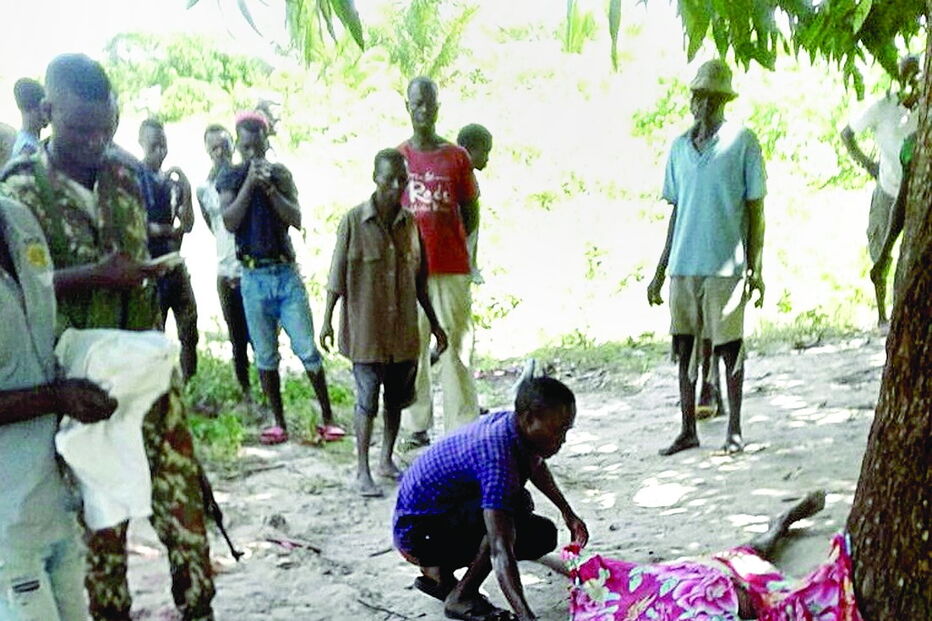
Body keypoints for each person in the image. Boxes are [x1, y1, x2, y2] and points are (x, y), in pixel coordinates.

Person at [0, 53, 215, 621]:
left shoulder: (124, 174)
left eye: (106, 126)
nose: (96, 141)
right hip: (80, 387)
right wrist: (97, 275)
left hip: (144, 367)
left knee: (184, 513)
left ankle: (199, 609)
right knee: (102, 530)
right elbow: (23, 291)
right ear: (47, 113)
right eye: (80, 129)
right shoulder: (20, 191)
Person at [0, 195, 117, 621]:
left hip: (53, 494)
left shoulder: (17, 218)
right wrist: (55, 396)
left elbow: (42, 320)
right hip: (5, 515)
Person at [393, 376, 589, 621]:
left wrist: (567, 512)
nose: (563, 440)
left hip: (435, 518)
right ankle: (461, 596)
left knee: (535, 524)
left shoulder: (513, 425)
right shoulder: (497, 458)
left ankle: (438, 572)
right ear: (529, 419)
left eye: (566, 430)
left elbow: (535, 464)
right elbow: (500, 550)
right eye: (558, 430)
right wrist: (526, 616)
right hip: (418, 536)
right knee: (513, 511)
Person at [647, 59, 766, 456]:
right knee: (683, 349)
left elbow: (755, 210)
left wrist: (756, 267)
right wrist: (660, 270)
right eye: (698, 96)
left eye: (711, 98)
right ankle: (687, 429)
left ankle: (734, 428)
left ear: (723, 101)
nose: (702, 104)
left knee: (729, 348)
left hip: (725, 266)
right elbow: (677, 211)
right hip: (684, 264)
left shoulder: (743, 142)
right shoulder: (679, 147)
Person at [320, 148, 449, 497]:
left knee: (396, 400)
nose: (397, 186)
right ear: (375, 178)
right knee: (366, 401)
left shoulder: (411, 225)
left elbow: (420, 280)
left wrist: (436, 325)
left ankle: (386, 460)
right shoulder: (353, 221)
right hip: (366, 333)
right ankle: (362, 470)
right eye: (389, 179)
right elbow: (336, 274)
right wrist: (328, 320)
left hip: (402, 333)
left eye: (402, 180)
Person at [218, 111, 344, 445]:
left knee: (307, 348)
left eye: (257, 146)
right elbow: (230, 221)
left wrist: (270, 189)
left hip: (285, 272)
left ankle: (328, 418)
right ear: (238, 144)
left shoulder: (281, 174)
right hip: (252, 276)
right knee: (265, 353)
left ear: (266, 142)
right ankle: (278, 422)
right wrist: (249, 183)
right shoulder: (230, 177)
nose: (252, 153)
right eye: (245, 147)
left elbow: (296, 217)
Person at [565, 490, 861, 620]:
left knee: (756, 551)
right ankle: (782, 522)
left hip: (696, 573)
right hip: (687, 575)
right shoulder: (723, 602)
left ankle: (782, 522)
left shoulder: (732, 594)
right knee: (755, 551)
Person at [400, 76, 481, 445]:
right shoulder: (398, 157)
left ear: (437, 108)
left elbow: (471, 211)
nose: (423, 110)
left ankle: (461, 426)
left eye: (429, 104)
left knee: (456, 347)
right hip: (409, 271)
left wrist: (453, 246)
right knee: (412, 348)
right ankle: (417, 425)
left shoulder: (456, 157)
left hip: (450, 269)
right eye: (416, 103)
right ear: (407, 106)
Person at [840, 55, 920, 325]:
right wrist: (868, 165)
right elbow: (847, 134)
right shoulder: (883, 107)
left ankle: (903, 314)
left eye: (918, 73)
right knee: (880, 248)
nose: (913, 79)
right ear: (900, 79)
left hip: (915, 193)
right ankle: (882, 316)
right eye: (907, 74)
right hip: (887, 188)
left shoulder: (925, 110)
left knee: (911, 253)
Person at [138, 118, 199, 381]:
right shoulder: (136, 177)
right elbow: (138, 225)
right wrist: (167, 231)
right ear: (142, 143)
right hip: (152, 268)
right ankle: (160, 387)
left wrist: (186, 186)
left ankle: (190, 383)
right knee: (156, 333)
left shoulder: (171, 181)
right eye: (154, 146)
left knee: (189, 325)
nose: (160, 151)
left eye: (163, 145)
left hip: (175, 263)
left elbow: (188, 224)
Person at [197, 123, 253, 403]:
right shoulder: (204, 189)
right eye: (214, 147)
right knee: (237, 337)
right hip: (225, 269)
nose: (220, 152)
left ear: (232, 145)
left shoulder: (246, 176)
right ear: (207, 150)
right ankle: (246, 392)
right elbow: (214, 225)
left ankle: (270, 389)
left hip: (251, 267)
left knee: (261, 334)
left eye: (224, 146)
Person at [456, 122, 492, 285]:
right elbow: (470, 217)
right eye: (484, 152)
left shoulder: (468, 174)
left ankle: (471, 264)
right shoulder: (458, 173)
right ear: (467, 149)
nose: (487, 158)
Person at [10, 78, 47, 159]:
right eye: (40, 110)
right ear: (27, 110)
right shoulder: (27, 150)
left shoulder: (25, 139)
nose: (45, 115)